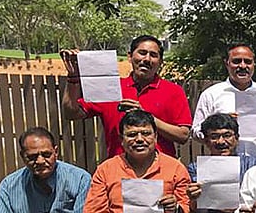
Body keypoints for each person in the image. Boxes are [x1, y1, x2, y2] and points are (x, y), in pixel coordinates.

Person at [60, 35, 192, 158]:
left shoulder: (173, 91)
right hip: (120, 170)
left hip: (161, 172)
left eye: (153, 55)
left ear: (160, 61)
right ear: (130, 56)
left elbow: (183, 135)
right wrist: (73, 78)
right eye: (142, 53)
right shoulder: (110, 88)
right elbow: (72, 113)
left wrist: (148, 117)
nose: (146, 59)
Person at [191, 44, 256, 159]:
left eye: (247, 62)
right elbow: (196, 131)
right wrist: (217, 124)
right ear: (227, 63)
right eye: (237, 61)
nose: (243, 66)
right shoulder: (211, 94)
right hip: (223, 161)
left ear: (254, 64)